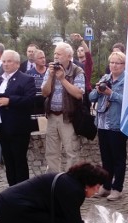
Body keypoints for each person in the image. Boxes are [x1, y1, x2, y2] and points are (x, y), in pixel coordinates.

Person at [0, 50, 36, 186]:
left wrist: (10, 101)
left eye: (9, 61)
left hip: (18, 127)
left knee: (19, 159)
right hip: (2, 125)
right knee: (8, 159)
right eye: (3, 61)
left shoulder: (26, 79)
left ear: (17, 63)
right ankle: (11, 188)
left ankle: (22, 189)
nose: (6, 64)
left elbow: (29, 100)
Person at [89, 51, 127, 201]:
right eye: (112, 62)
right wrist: (98, 90)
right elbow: (91, 97)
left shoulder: (126, 81)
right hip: (103, 123)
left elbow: (127, 101)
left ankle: (117, 188)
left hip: (116, 124)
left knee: (118, 158)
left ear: (124, 65)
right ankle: (106, 185)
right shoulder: (105, 78)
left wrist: (111, 94)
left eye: (117, 63)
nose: (114, 65)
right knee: (106, 158)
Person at [41, 42, 85, 172]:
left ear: (68, 56)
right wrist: (50, 76)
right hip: (52, 116)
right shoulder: (51, 70)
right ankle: (53, 181)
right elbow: (45, 93)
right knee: (51, 152)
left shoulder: (77, 71)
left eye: (59, 54)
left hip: (68, 117)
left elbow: (78, 94)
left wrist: (63, 79)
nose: (55, 56)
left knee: (72, 151)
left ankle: (71, 182)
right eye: (54, 53)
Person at [26, 49, 47, 116]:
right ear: (35, 60)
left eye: (43, 57)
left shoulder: (50, 71)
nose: (43, 60)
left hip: (47, 105)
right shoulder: (29, 73)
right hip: (34, 106)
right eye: (40, 58)